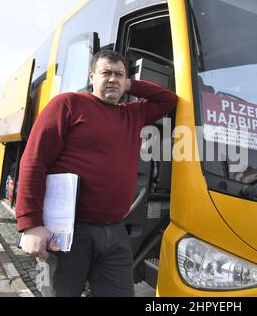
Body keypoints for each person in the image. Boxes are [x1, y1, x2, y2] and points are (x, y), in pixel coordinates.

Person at [15, 50, 177, 297]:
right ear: (92, 76)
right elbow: (34, 161)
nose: (113, 79)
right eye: (106, 73)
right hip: (69, 232)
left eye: (119, 75)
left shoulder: (132, 113)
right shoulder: (68, 104)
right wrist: (31, 225)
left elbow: (167, 100)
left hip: (115, 232)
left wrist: (128, 83)